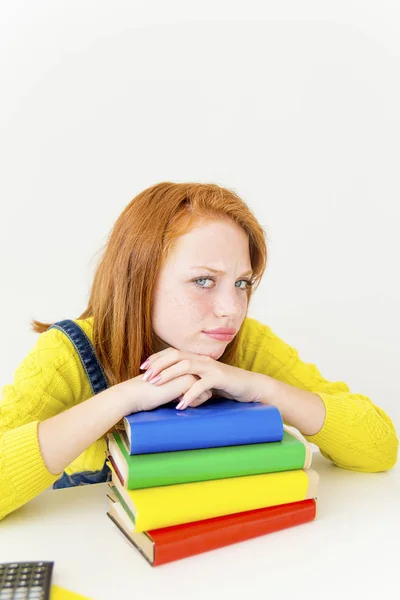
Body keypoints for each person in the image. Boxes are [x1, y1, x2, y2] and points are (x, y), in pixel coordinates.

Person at [0, 182, 398, 521]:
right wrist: (125, 397)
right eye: (204, 280)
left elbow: (379, 447)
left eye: (242, 283)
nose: (231, 309)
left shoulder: (248, 342)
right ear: (138, 280)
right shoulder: (67, 354)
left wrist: (262, 388)